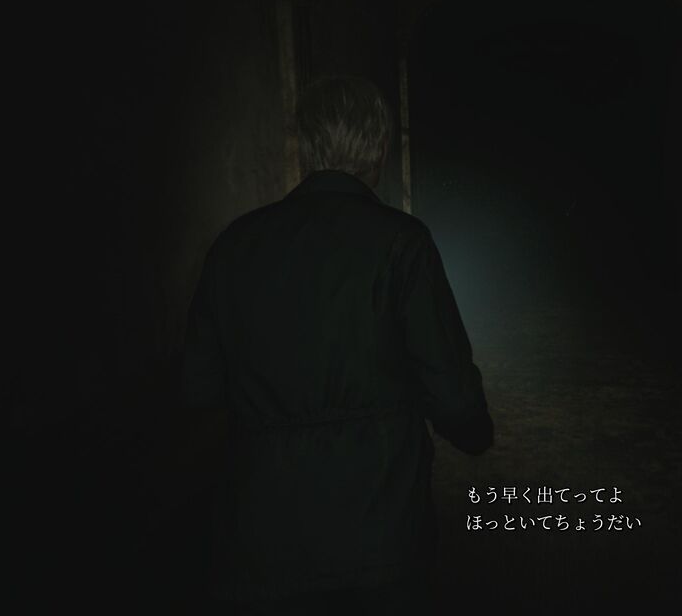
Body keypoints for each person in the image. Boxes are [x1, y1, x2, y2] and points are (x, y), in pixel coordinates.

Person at [180, 74, 494, 614]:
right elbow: (449, 389)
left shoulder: (234, 245)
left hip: (263, 536)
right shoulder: (402, 243)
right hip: (380, 532)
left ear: (306, 147)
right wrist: (475, 433)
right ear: (381, 148)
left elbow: (198, 391)